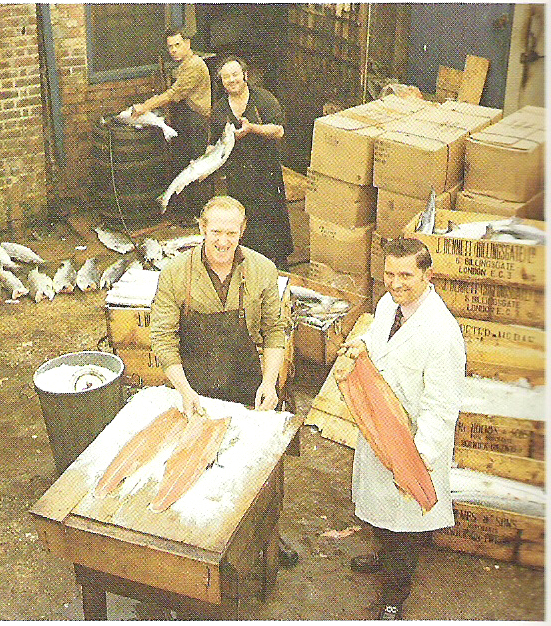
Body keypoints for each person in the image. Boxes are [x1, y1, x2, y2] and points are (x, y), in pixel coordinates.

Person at [150, 194, 298, 567]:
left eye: (231, 233)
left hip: (246, 377)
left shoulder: (262, 270)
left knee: (260, 465)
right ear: (201, 228)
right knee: (198, 463)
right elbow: (163, 338)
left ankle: (270, 533)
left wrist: (270, 382)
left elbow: (274, 331)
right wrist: (184, 390)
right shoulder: (176, 273)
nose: (223, 241)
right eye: (216, 231)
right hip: (195, 382)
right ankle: (198, 538)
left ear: (242, 231)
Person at [334, 237, 466, 620]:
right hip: (379, 428)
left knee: (405, 528)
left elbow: (441, 407)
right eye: (389, 273)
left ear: (427, 275)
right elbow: (379, 342)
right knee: (377, 510)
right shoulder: (388, 304)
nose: (395, 283)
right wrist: (359, 346)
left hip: (411, 443)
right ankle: (382, 553)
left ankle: (395, 595)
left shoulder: (442, 333)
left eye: (406, 275)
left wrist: (415, 461)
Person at [210, 57, 293, 269]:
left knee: (272, 214)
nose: (232, 80)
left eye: (235, 74)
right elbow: (214, 143)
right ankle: (248, 262)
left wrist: (253, 128)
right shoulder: (219, 109)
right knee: (243, 216)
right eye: (226, 77)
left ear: (245, 75)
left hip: (266, 169)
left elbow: (279, 130)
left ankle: (279, 263)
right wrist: (204, 163)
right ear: (221, 82)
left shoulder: (263, 99)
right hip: (238, 172)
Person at [131, 27, 211, 221]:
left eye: (178, 45)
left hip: (196, 122)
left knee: (194, 169)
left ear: (188, 44)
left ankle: (197, 216)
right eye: (170, 47)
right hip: (185, 121)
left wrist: (145, 106)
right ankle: (185, 211)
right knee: (182, 164)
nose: (173, 50)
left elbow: (174, 94)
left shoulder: (195, 65)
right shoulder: (183, 64)